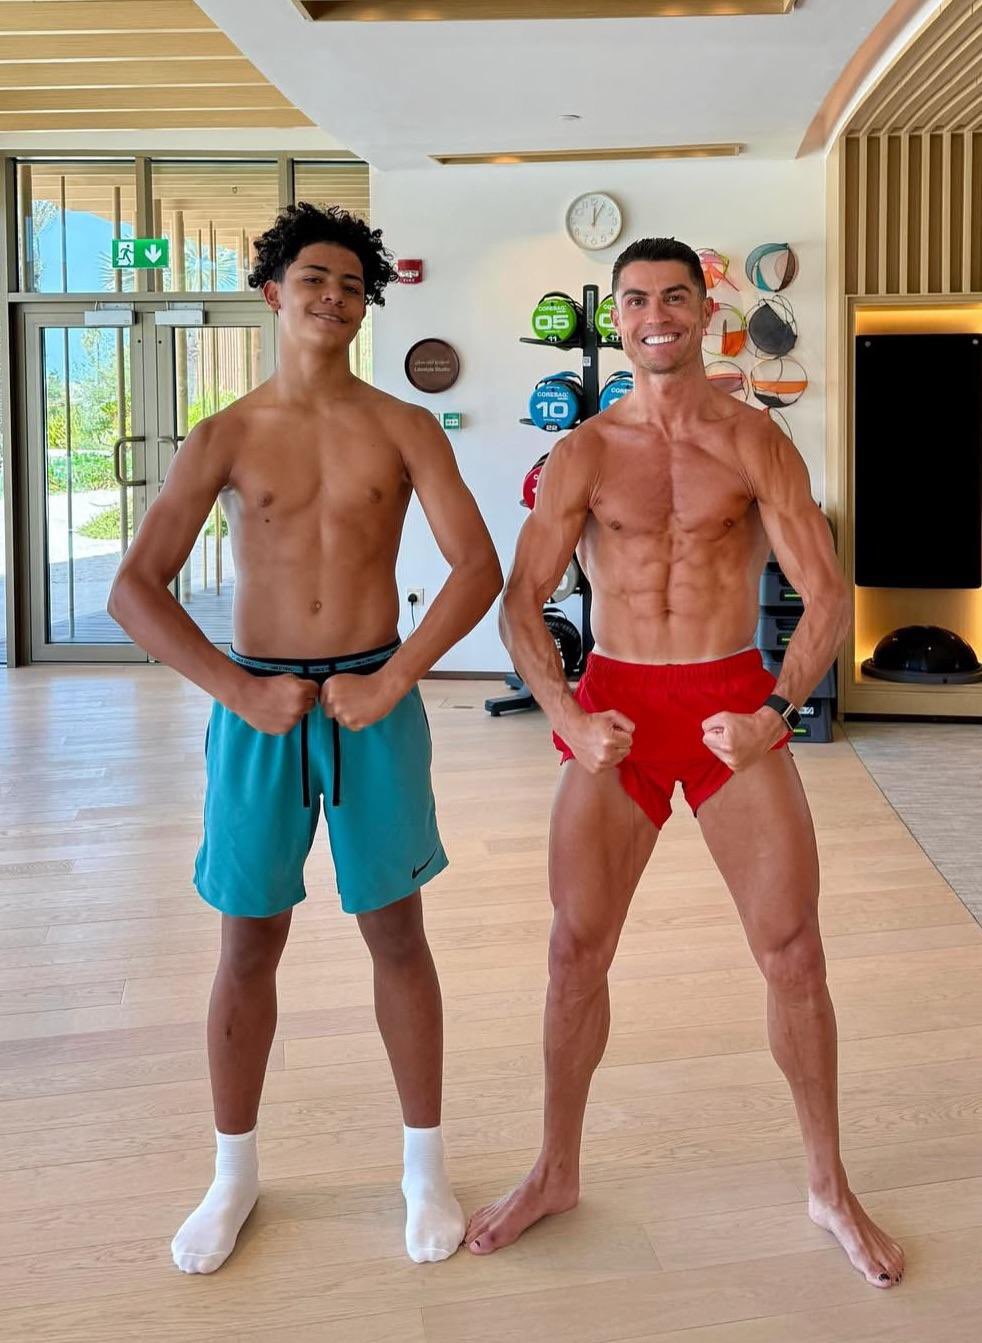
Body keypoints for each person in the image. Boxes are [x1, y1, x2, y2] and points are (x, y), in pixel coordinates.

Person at [464, 237, 905, 1289]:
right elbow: (519, 603)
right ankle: (556, 1169)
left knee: (793, 952)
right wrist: (568, 716)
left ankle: (828, 1183)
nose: (654, 315)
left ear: (707, 312)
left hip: (726, 702)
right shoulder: (581, 454)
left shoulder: (755, 442)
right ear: (614, 318)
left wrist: (775, 712)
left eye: (673, 297)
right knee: (575, 951)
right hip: (617, 704)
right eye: (635, 300)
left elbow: (828, 593)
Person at [108, 202, 502, 1273]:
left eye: (352, 285)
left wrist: (396, 677)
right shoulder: (225, 435)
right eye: (315, 279)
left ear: (365, 307)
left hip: (374, 701)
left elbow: (477, 567)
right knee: (247, 941)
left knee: (397, 933)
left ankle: (423, 1166)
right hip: (262, 708)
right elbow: (134, 588)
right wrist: (236, 689)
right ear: (272, 292)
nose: (334, 296)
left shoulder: (404, 426)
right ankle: (231, 1173)